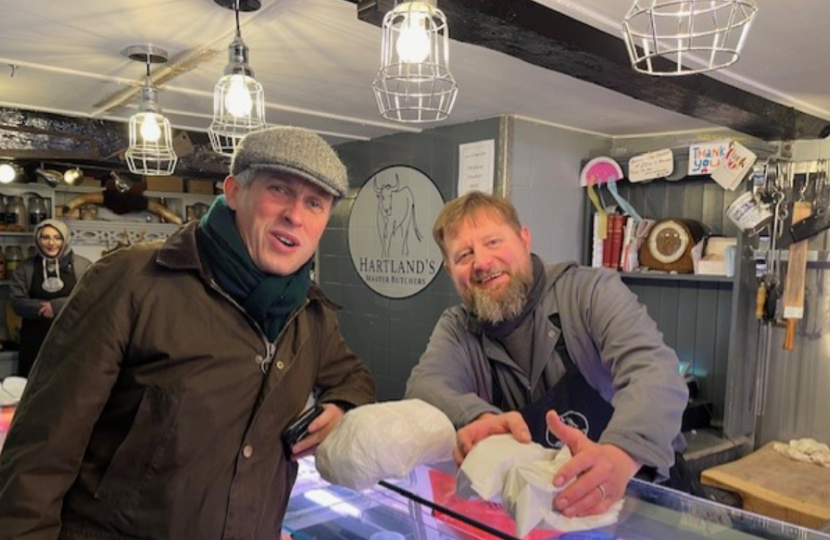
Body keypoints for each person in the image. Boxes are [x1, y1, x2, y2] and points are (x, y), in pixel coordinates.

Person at [0, 126, 376, 540]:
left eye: (315, 203)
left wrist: (341, 405)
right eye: (279, 190)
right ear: (233, 191)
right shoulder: (131, 281)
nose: (296, 215)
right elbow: (39, 457)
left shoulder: (311, 314)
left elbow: (353, 378)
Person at [405, 191, 690, 519]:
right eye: (464, 255)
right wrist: (478, 418)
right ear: (450, 271)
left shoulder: (590, 292)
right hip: (547, 511)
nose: (482, 262)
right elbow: (424, 387)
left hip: (644, 500)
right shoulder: (457, 328)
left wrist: (622, 452)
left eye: (493, 242)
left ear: (524, 238)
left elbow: (654, 370)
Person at [10, 218, 92, 377]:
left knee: (69, 385)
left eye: (57, 237)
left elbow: (90, 298)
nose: (51, 242)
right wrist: (41, 308)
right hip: (35, 340)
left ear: (65, 239)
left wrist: (55, 307)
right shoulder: (26, 268)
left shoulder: (83, 266)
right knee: (33, 387)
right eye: (45, 237)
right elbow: (17, 302)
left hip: (73, 339)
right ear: (37, 240)